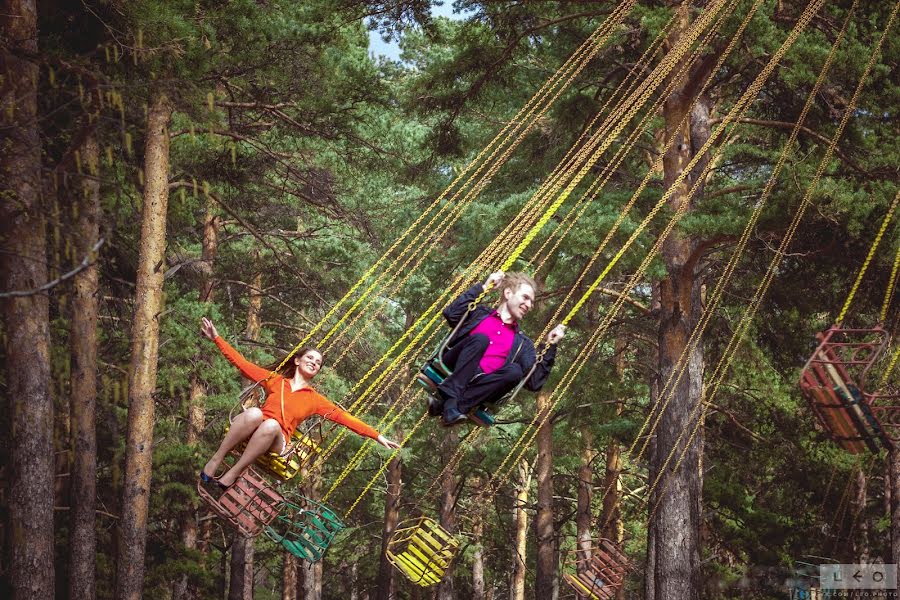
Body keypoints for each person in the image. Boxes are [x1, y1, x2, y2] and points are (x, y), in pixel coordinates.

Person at [199, 317, 400, 489]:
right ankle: (216, 458)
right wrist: (216, 338)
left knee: (271, 424)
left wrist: (376, 435)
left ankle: (234, 472)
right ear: (297, 361)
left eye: (318, 363)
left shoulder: (314, 399)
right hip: (255, 428)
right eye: (310, 358)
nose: (314, 362)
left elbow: (345, 418)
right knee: (254, 413)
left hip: (277, 441)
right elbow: (243, 364)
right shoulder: (275, 380)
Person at [428, 271, 566, 426]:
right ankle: (452, 400)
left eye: (532, 302)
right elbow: (451, 314)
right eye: (525, 297)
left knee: (515, 371)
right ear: (508, 293)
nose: (529, 305)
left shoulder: (523, 344)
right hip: (454, 363)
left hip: (482, 384)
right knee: (481, 339)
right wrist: (484, 287)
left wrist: (550, 346)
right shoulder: (480, 313)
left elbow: (534, 382)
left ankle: (449, 405)